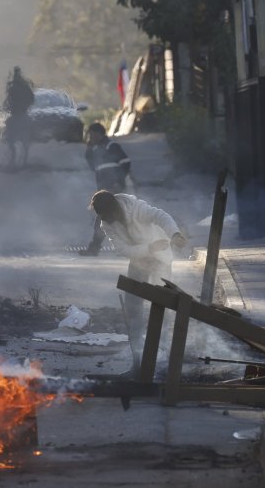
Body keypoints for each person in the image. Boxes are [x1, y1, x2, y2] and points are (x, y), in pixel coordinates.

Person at [88, 190, 186, 371]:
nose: (106, 220)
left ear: (114, 208)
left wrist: (174, 234)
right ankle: (136, 351)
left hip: (159, 258)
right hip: (139, 260)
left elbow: (161, 216)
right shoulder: (106, 223)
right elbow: (123, 249)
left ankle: (162, 348)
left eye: (108, 215)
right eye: (103, 217)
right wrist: (148, 248)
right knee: (133, 305)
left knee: (162, 302)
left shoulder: (136, 208)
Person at [79, 123, 131, 256]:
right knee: (113, 218)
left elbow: (126, 162)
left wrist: (118, 182)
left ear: (99, 133)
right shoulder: (95, 150)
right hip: (104, 190)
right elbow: (91, 165)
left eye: (92, 134)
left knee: (107, 219)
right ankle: (135, 246)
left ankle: (94, 249)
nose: (90, 137)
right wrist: (89, 148)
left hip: (114, 189)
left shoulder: (111, 146)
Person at [0, 66, 35, 169]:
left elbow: (30, 99)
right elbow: (8, 101)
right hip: (16, 114)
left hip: (20, 114)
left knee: (21, 140)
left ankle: (21, 161)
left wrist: (23, 106)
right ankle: (15, 160)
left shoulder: (22, 86)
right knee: (12, 139)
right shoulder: (15, 86)